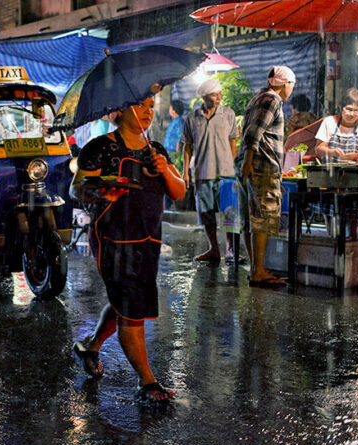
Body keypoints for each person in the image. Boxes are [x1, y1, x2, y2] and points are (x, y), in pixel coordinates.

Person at [69, 93, 186, 402]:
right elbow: (76, 188)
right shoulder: (100, 147)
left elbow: (178, 191)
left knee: (128, 302)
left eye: (151, 107)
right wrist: (101, 192)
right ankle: (147, 382)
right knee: (131, 308)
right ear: (118, 110)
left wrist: (164, 169)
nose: (148, 112)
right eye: (140, 106)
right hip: (113, 238)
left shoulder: (156, 149)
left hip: (148, 238)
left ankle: (90, 346)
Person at [234, 65, 296, 287]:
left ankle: (255, 268)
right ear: (284, 84)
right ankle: (258, 270)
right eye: (292, 85)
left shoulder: (257, 98)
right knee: (262, 218)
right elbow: (253, 133)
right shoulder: (272, 100)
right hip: (261, 166)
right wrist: (249, 163)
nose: (292, 90)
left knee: (250, 219)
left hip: (250, 166)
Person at [182, 79, 241, 263]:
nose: (219, 98)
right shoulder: (192, 118)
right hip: (202, 171)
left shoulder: (228, 114)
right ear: (204, 97)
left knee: (230, 212)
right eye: (215, 95)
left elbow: (233, 141)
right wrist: (185, 172)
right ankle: (213, 249)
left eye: (220, 94)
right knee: (206, 213)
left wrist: (233, 166)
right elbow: (187, 146)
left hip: (226, 173)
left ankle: (231, 249)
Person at [314, 88, 358, 163]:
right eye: (349, 109)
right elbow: (318, 150)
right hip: (330, 171)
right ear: (341, 107)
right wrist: (332, 152)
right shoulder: (329, 122)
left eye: (356, 110)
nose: (352, 114)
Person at [163, 99, 185, 169]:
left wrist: (178, 155)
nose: (169, 110)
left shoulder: (179, 122)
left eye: (170, 108)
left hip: (173, 153)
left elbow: (180, 138)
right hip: (169, 151)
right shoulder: (174, 121)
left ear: (174, 110)